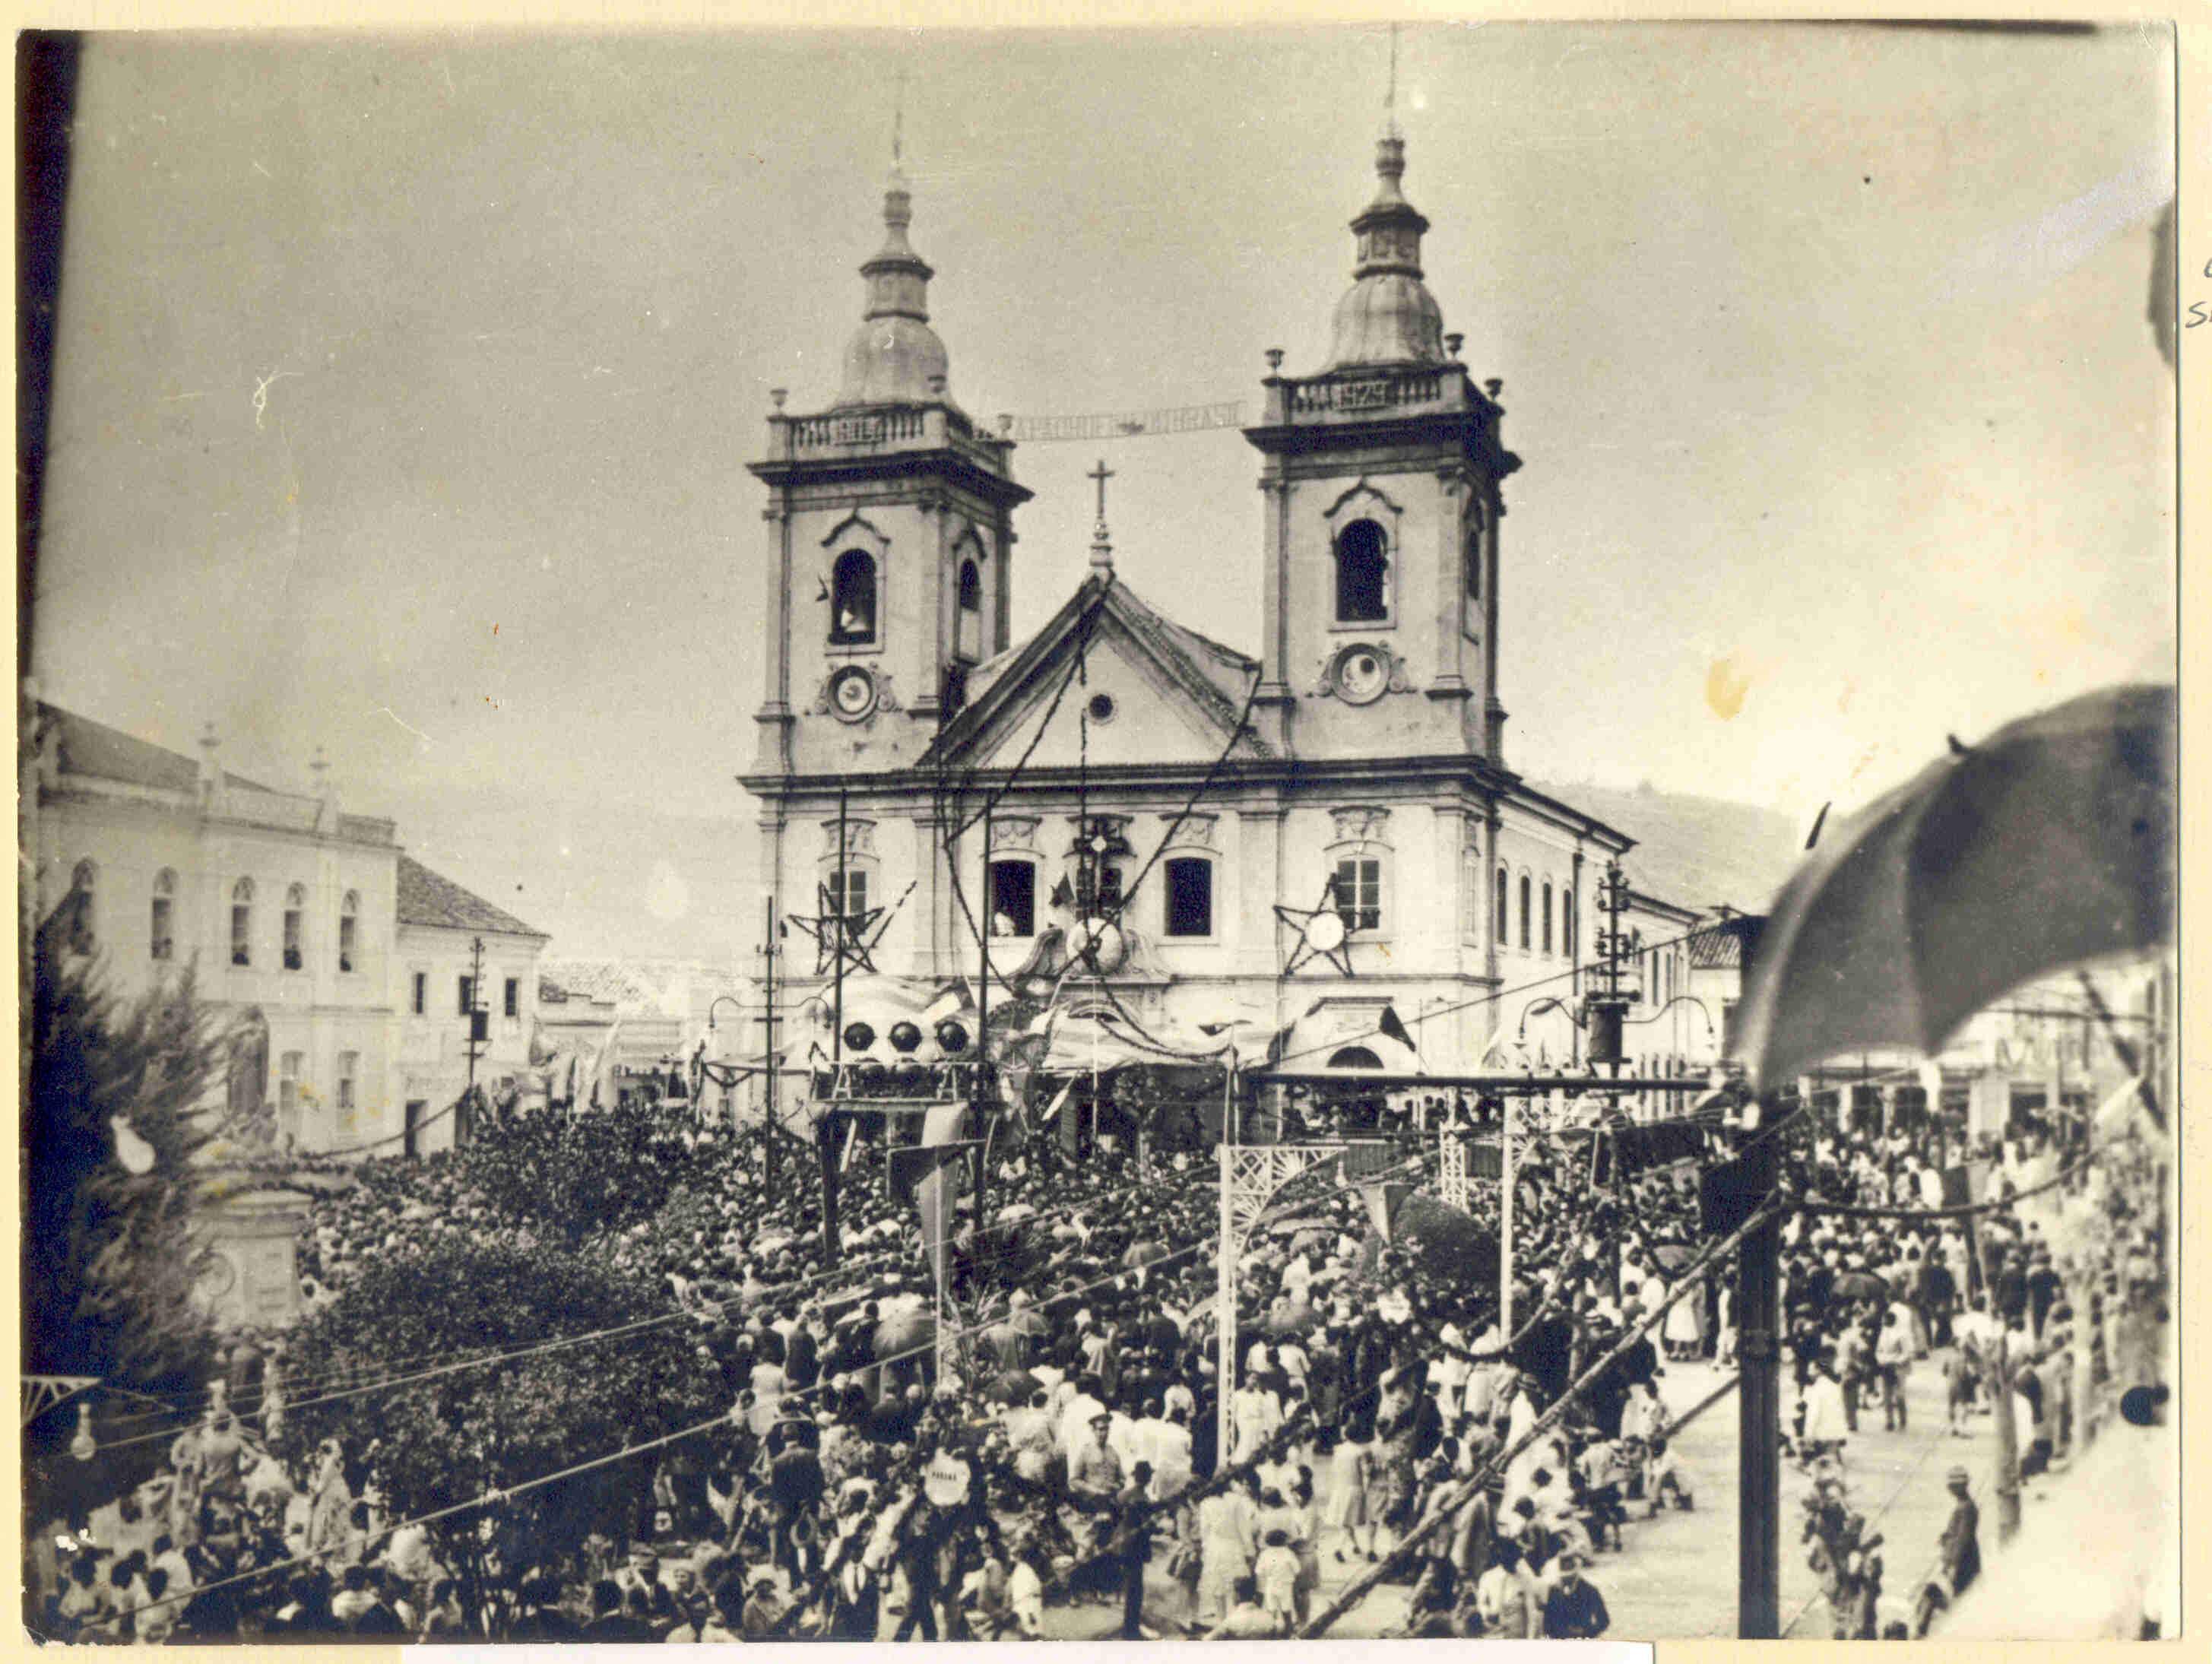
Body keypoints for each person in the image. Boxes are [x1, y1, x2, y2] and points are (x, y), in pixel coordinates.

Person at [1541, 1551, 1609, 1638]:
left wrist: (1585, 1632)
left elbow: (1604, 1621)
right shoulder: (1554, 1591)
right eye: (1563, 1577)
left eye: (1570, 1577)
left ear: (1576, 1574)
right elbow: (1547, 1624)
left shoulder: (1589, 1591)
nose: (1566, 1580)